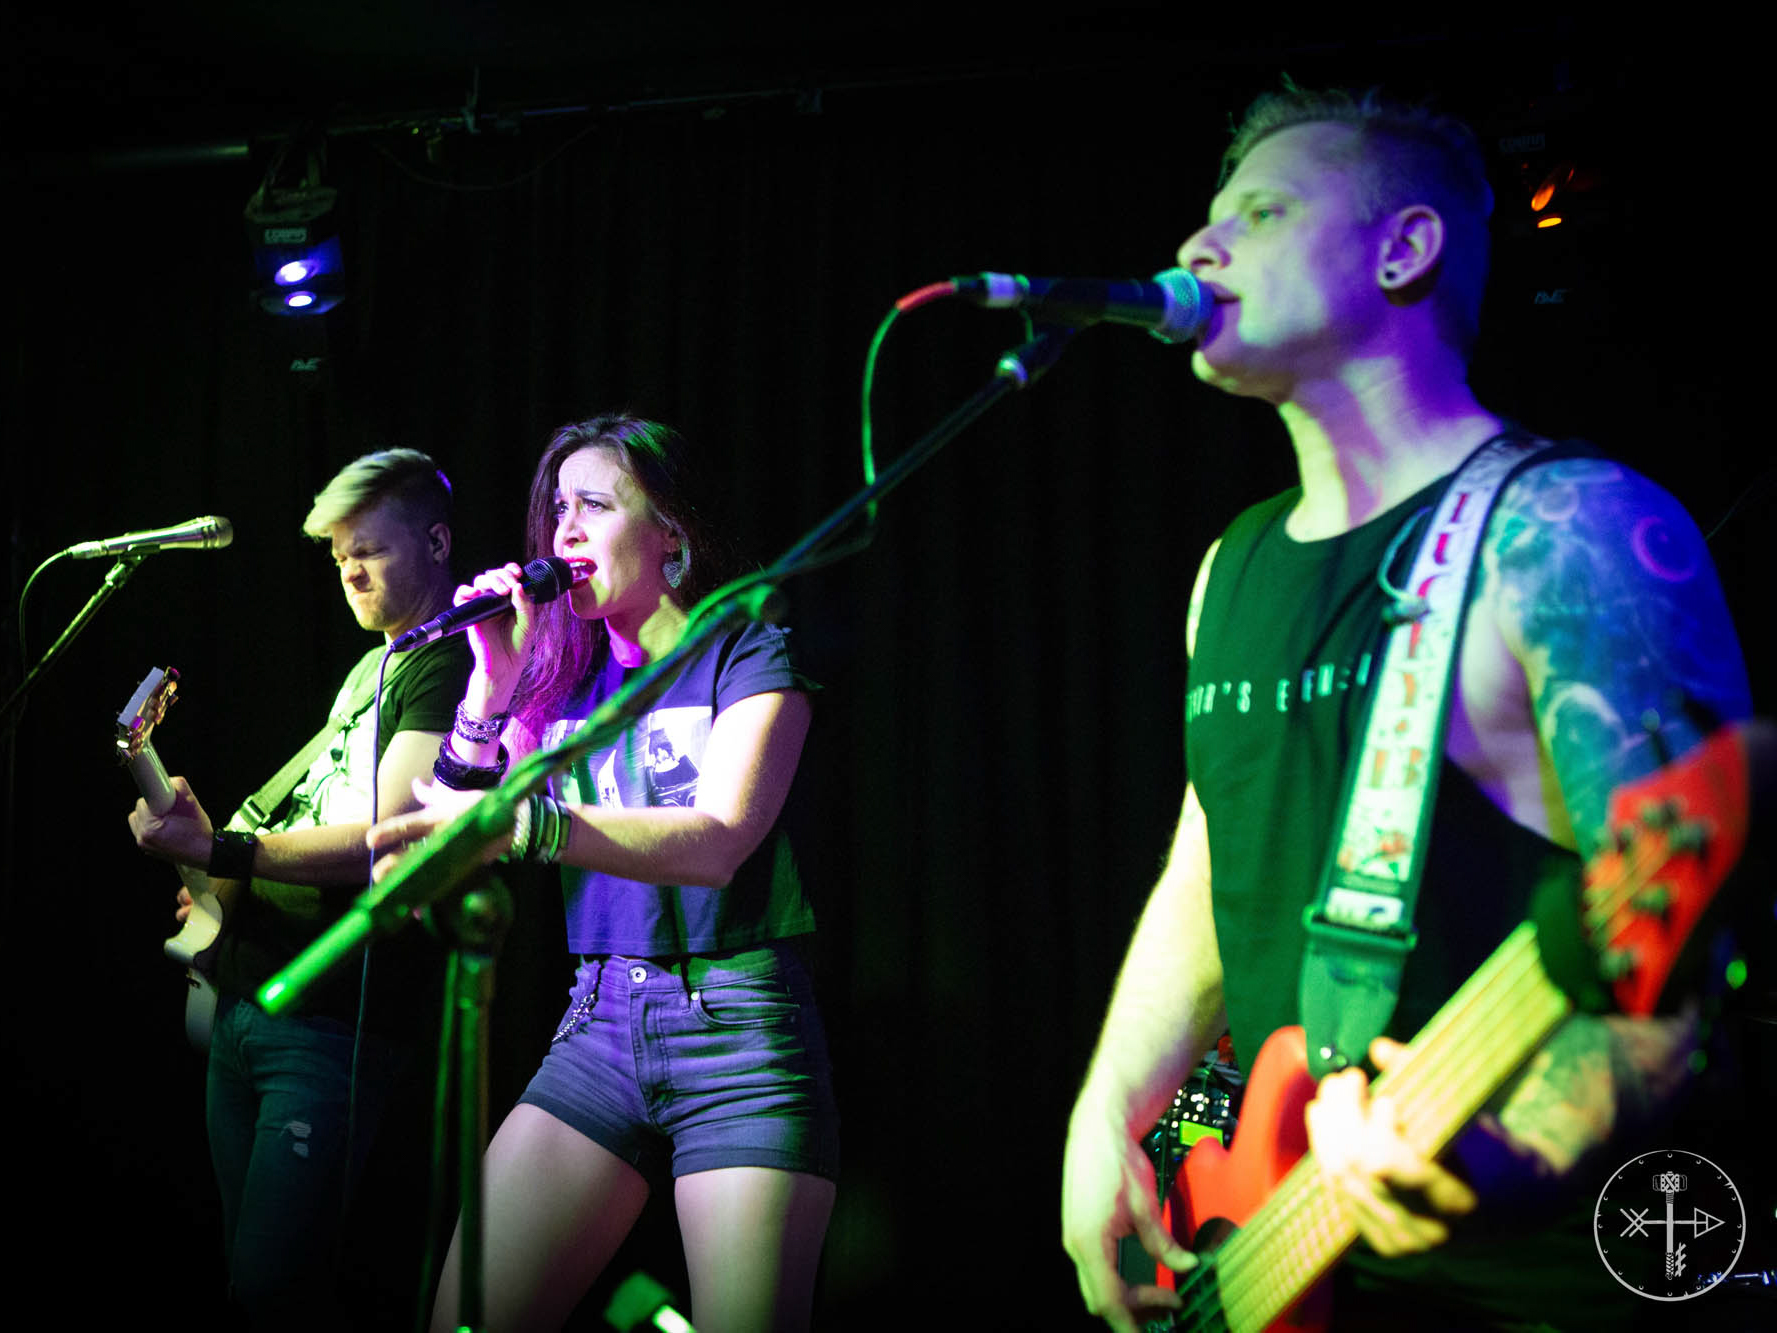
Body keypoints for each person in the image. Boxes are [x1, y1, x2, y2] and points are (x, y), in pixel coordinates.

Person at [1059, 85, 1751, 1331]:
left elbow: (1673, 950)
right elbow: (1205, 869)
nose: (1196, 252)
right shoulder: (1233, 564)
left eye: (1258, 214)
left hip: (1538, 1285)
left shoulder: (1571, 530)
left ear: (1404, 249)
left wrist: (1508, 1157)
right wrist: (1108, 1109)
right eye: (1204, 223)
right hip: (1277, 1247)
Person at [366, 413, 838, 1333]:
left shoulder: (744, 654)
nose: (563, 531)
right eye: (555, 509)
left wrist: (529, 822)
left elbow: (718, 838)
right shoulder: (560, 689)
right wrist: (489, 689)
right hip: (599, 1026)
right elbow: (434, 846)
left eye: (594, 504)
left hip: (738, 1029)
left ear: (671, 533)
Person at [128, 449, 472, 1328]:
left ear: (436, 543)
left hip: (329, 1021)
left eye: (371, 551)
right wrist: (215, 881)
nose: (350, 571)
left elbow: (382, 838)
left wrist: (227, 852)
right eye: (338, 557)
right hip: (247, 1001)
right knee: (248, 1281)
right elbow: (314, 810)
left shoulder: (454, 661)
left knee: (276, 1289)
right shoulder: (372, 667)